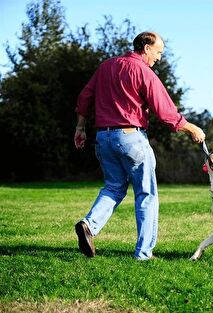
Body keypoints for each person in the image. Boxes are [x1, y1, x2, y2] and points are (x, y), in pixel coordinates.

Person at [73, 31, 205, 260]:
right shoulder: (143, 71)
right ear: (146, 48)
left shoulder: (106, 66)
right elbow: (165, 112)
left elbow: (85, 97)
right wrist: (192, 128)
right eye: (158, 52)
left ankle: (89, 224)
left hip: (103, 138)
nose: (160, 58)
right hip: (130, 137)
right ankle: (143, 253)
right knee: (146, 193)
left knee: (113, 186)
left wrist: (80, 127)